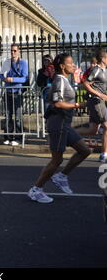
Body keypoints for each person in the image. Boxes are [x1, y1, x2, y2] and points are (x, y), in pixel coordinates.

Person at [28, 53, 91, 204]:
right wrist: (78, 105)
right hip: (58, 124)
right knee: (56, 160)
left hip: (65, 125)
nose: (74, 65)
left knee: (85, 151)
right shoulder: (59, 80)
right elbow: (57, 103)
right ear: (62, 66)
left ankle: (61, 177)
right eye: (71, 63)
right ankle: (36, 189)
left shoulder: (63, 80)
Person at [78, 49, 107, 162]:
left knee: (93, 129)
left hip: (99, 101)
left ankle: (67, 133)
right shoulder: (96, 70)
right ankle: (104, 154)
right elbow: (85, 83)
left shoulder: (104, 70)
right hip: (96, 101)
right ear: (103, 59)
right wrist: (99, 94)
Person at [0, 44, 29, 146]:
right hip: (8, 91)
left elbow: (25, 78)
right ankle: (8, 137)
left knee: (17, 117)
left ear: (18, 51)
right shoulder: (7, 62)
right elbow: (0, 74)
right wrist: (4, 79)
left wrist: (13, 79)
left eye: (15, 51)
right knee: (7, 116)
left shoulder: (23, 63)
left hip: (18, 92)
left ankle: (18, 138)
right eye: (11, 51)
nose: (13, 53)